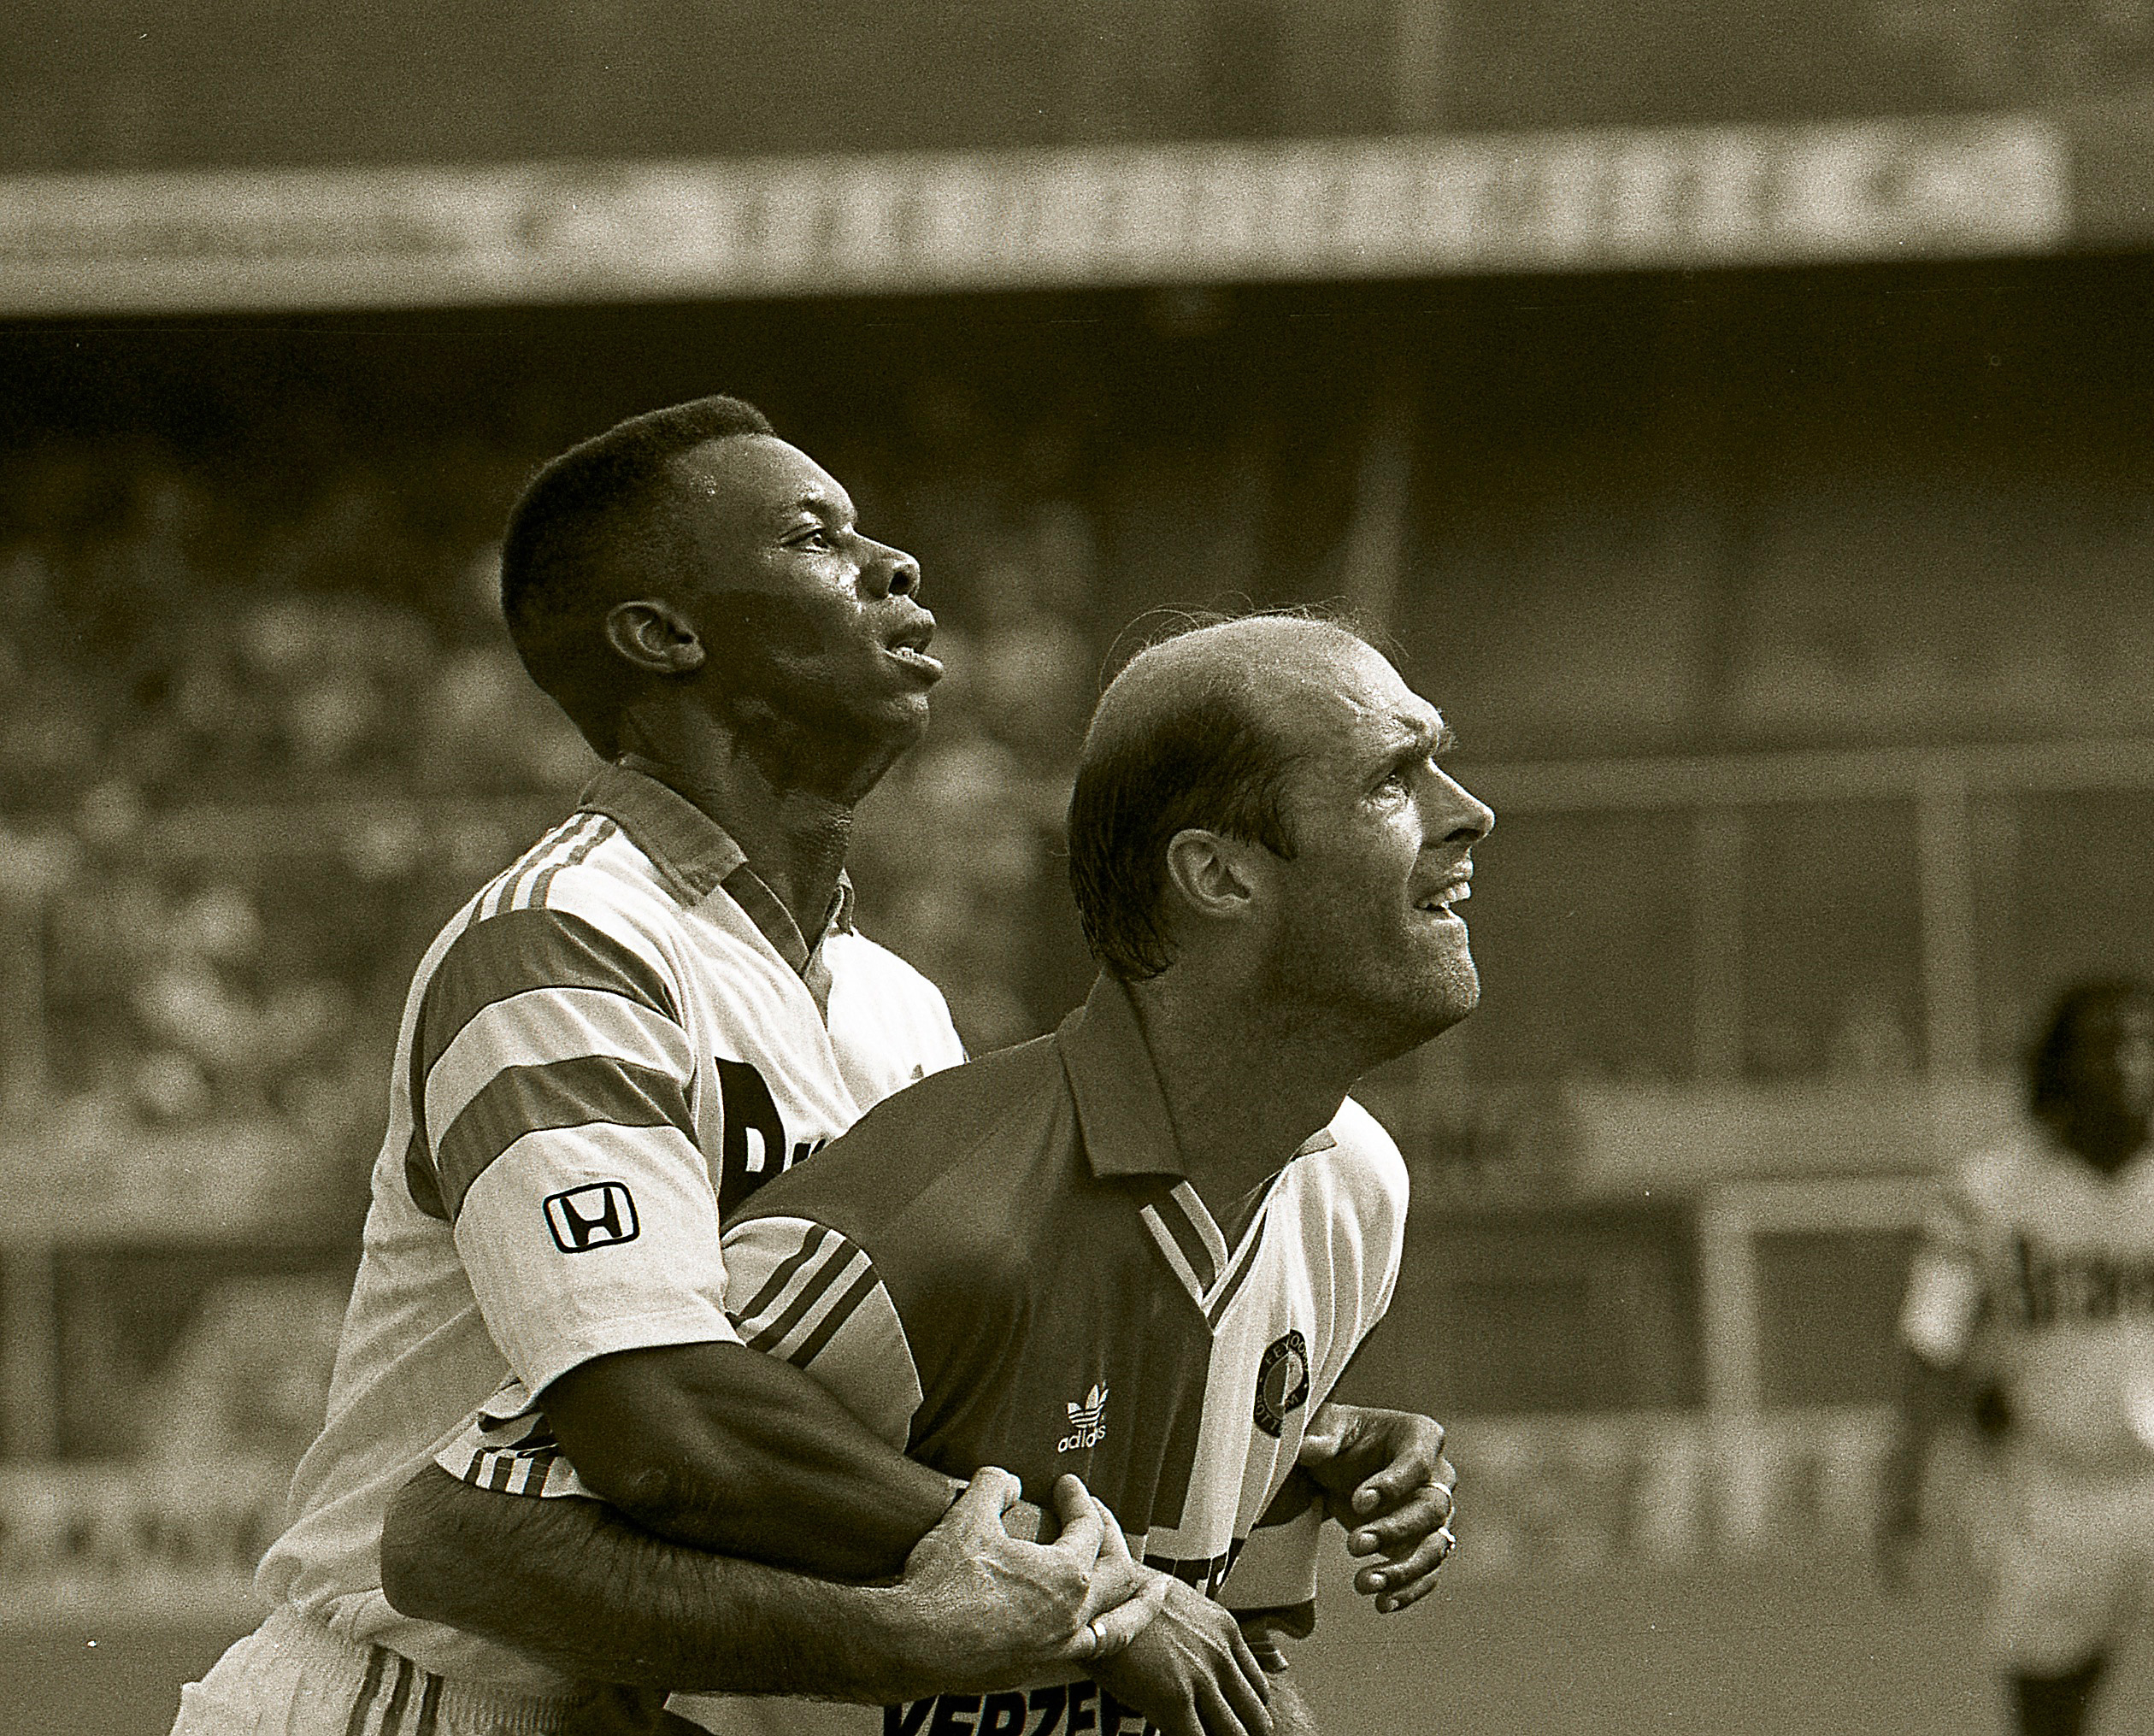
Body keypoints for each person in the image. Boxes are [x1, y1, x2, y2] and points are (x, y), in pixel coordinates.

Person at [172, 401, 1292, 1736]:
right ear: (664, 634)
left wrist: (1285, 1447)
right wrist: (1103, 1585)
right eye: (818, 538)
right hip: (425, 1695)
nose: (896, 563)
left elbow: (952, 1392)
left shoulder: (896, 1005)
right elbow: (656, 1420)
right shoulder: (561, 941)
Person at [377, 612, 1491, 1736]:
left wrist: (1292, 1466)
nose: (1467, 812)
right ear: (1215, 872)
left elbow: (1215, 1646)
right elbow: (454, 1535)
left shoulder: (1352, 1193)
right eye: (1394, 778)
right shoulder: (933, 1219)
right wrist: (1032, 1616)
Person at [1877, 977, 2154, 1736]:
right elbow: (1932, 1343)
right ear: (2060, 1062)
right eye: (2102, 1044)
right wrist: (1903, 1485)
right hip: (2058, 1490)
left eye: (2142, 1042)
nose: (2124, 1062)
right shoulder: (1990, 1190)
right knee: (2048, 1722)